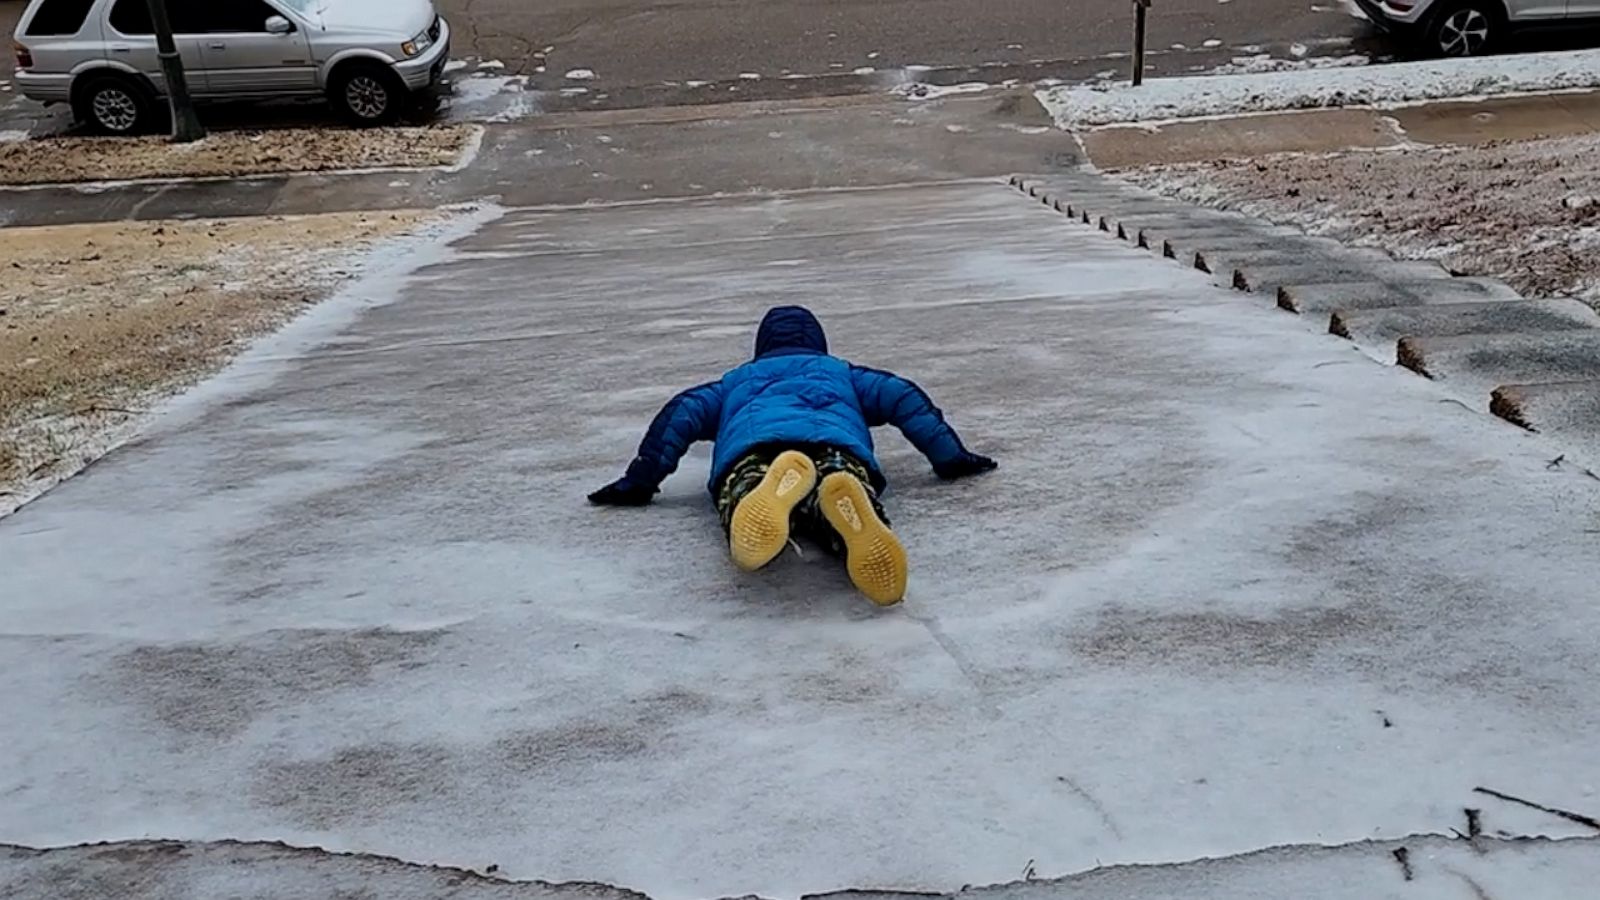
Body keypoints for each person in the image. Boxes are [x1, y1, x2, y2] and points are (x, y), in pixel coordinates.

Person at [588, 305, 996, 606]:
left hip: (752, 449)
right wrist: (950, 457)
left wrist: (640, 481)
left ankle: (761, 496)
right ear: (819, 344)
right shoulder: (843, 373)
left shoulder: (733, 383)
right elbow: (904, 398)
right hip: (835, 446)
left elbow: (680, 415)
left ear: (761, 347)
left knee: (744, 484)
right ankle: (844, 507)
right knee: (840, 487)